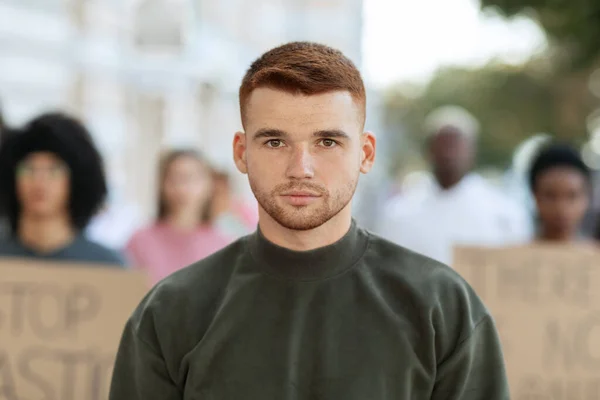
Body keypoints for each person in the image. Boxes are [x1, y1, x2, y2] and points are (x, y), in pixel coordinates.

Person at [110, 42, 509, 399]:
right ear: (241, 152)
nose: (301, 168)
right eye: (275, 141)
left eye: (327, 142)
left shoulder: (442, 307)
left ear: (366, 153)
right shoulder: (170, 312)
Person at [378, 105, 533, 265]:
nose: (448, 153)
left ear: (472, 150)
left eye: (456, 144)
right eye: (443, 144)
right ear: (429, 150)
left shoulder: (504, 213)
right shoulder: (400, 213)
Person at [0, 112, 126, 266]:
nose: (39, 182)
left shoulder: (108, 266)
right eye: (28, 169)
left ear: (77, 179)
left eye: (54, 170)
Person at [125, 149, 231, 284]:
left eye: (192, 178)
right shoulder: (139, 242)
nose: (183, 188)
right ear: (162, 185)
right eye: (175, 178)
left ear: (209, 185)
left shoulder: (223, 245)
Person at [529, 142, 591, 242]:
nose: (561, 208)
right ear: (535, 196)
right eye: (550, 196)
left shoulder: (596, 255)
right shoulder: (510, 254)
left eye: (572, 196)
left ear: (586, 197)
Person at [208, 168, 258, 238]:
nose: (219, 198)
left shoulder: (242, 212)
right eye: (215, 193)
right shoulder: (206, 221)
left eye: (222, 192)